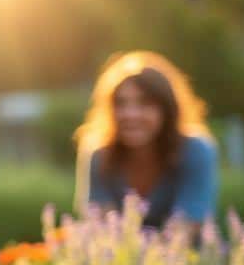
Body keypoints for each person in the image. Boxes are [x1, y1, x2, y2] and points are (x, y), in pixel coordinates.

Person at [74, 51, 218, 229]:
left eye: (145, 103)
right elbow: (100, 229)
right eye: (121, 103)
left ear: (166, 109)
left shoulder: (195, 150)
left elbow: (186, 230)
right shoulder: (99, 155)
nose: (130, 114)